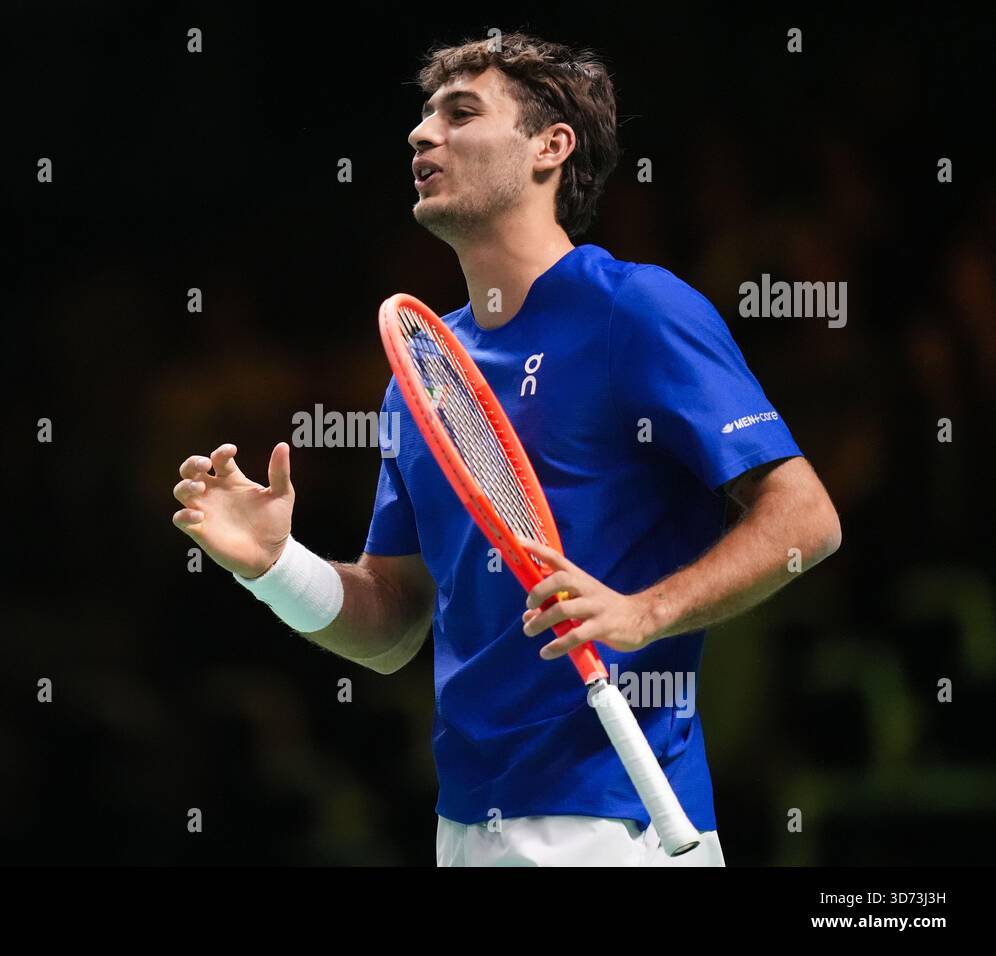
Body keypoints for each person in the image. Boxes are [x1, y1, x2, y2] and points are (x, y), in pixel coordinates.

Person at [171, 32, 841, 866]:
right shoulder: (423, 377)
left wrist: (645, 612)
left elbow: (806, 517)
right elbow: (391, 624)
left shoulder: (635, 311)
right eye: (422, 118)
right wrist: (275, 568)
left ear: (549, 148)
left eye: (460, 114)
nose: (422, 135)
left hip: (614, 826)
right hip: (465, 824)